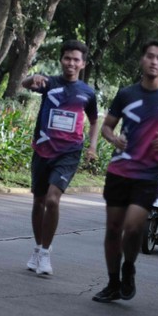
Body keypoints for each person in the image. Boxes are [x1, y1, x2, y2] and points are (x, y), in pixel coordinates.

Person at [92, 39, 158, 303]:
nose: (154, 61)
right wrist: (113, 139)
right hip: (119, 169)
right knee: (113, 228)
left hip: (149, 173)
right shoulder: (126, 94)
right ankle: (113, 283)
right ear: (142, 60)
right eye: (150, 56)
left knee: (134, 227)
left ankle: (129, 267)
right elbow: (107, 126)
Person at [21, 40, 98, 276]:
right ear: (61, 60)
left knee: (53, 200)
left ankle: (45, 253)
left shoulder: (87, 93)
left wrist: (92, 147)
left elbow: (94, 121)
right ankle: (37, 248)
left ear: (83, 64)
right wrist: (32, 78)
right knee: (39, 201)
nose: (71, 63)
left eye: (76, 59)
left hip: (69, 152)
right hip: (43, 149)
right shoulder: (49, 83)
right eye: (67, 58)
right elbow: (25, 84)